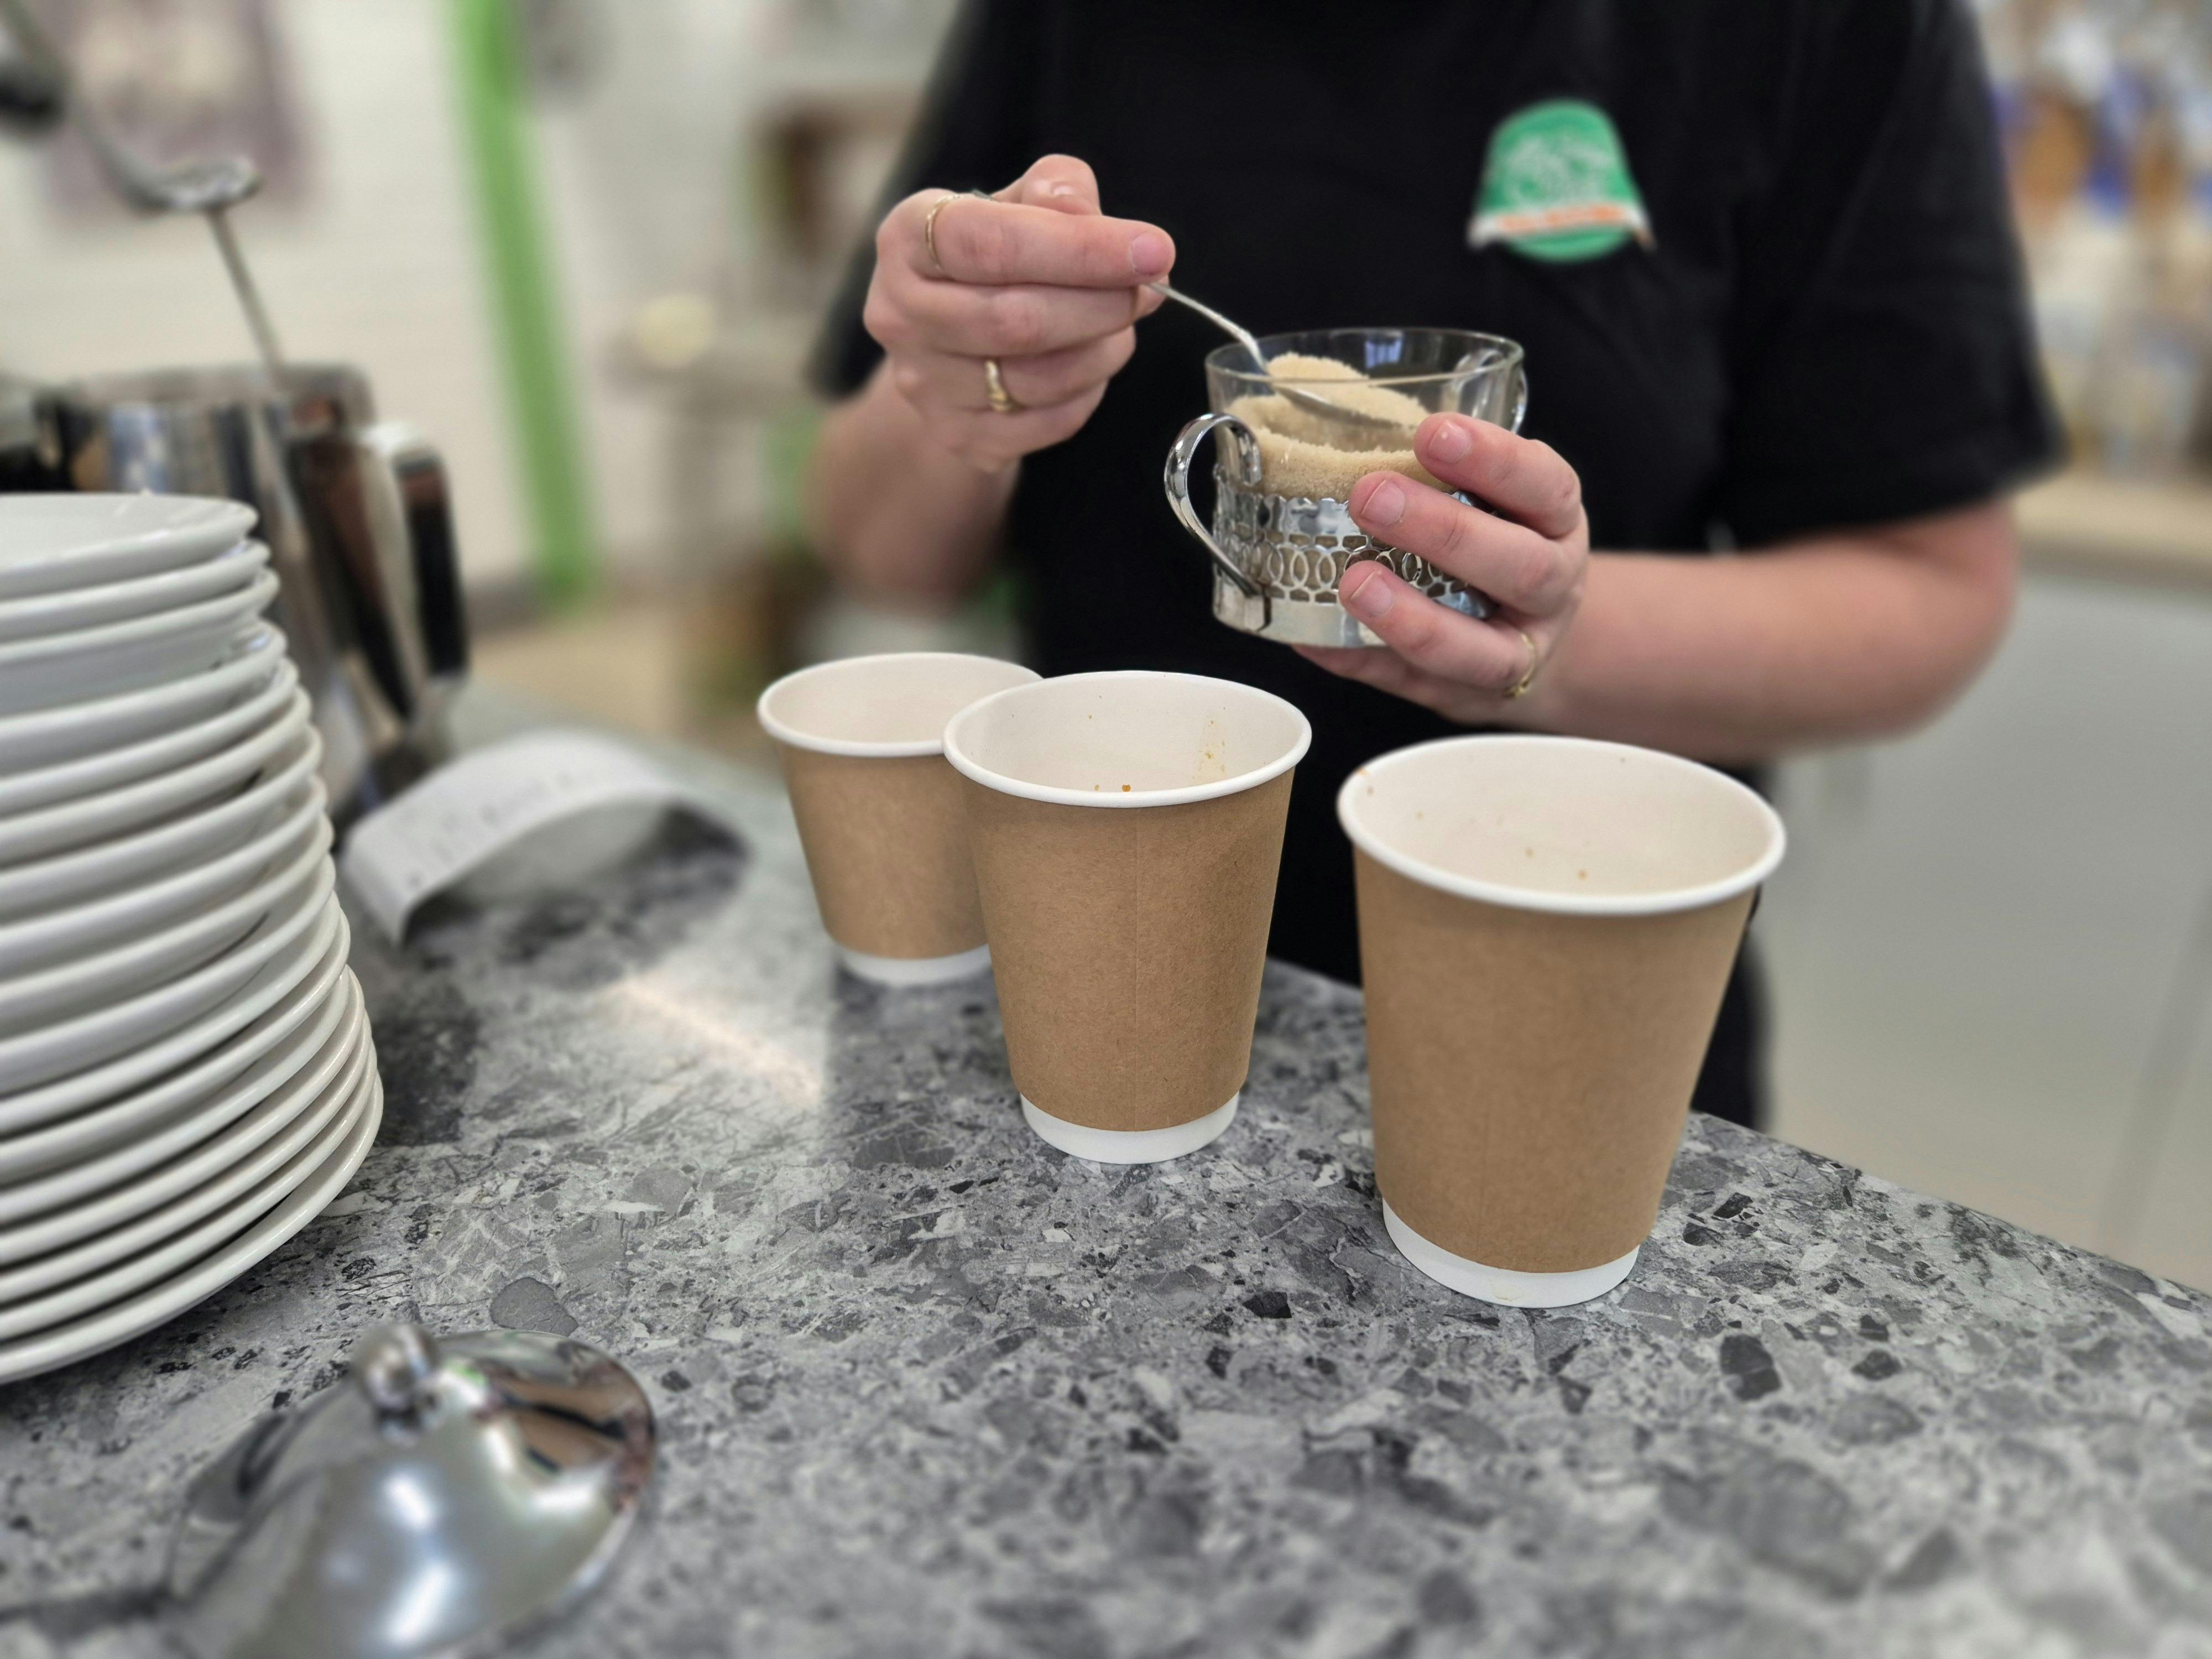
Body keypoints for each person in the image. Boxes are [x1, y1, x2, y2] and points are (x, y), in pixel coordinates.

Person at [801, 0, 2062, 1129]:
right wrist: (962, 381)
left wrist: (1538, 632)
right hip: (1100, 977)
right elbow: (875, 544)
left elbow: (1931, 586)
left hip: (1574, 1013)